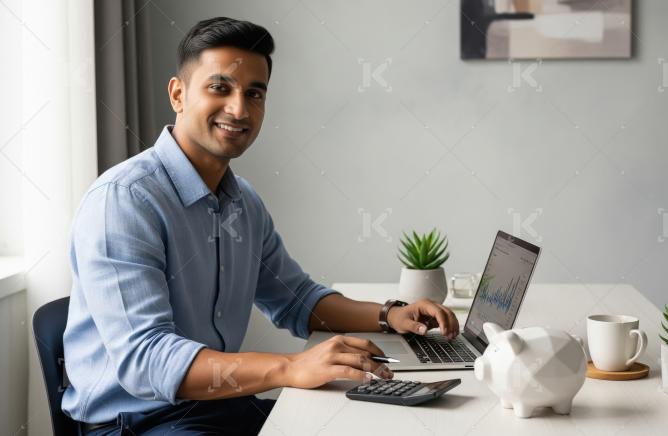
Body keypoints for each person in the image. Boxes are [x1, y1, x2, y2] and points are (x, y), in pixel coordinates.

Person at [62, 17, 459, 435]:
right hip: (136, 422)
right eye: (220, 88)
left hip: (215, 406)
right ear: (178, 94)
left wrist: (389, 315)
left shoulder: (242, 201)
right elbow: (146, 360)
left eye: (254, 94)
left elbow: (296, 300)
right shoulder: (125, 200)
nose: (239, 109)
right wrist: (289, 367)